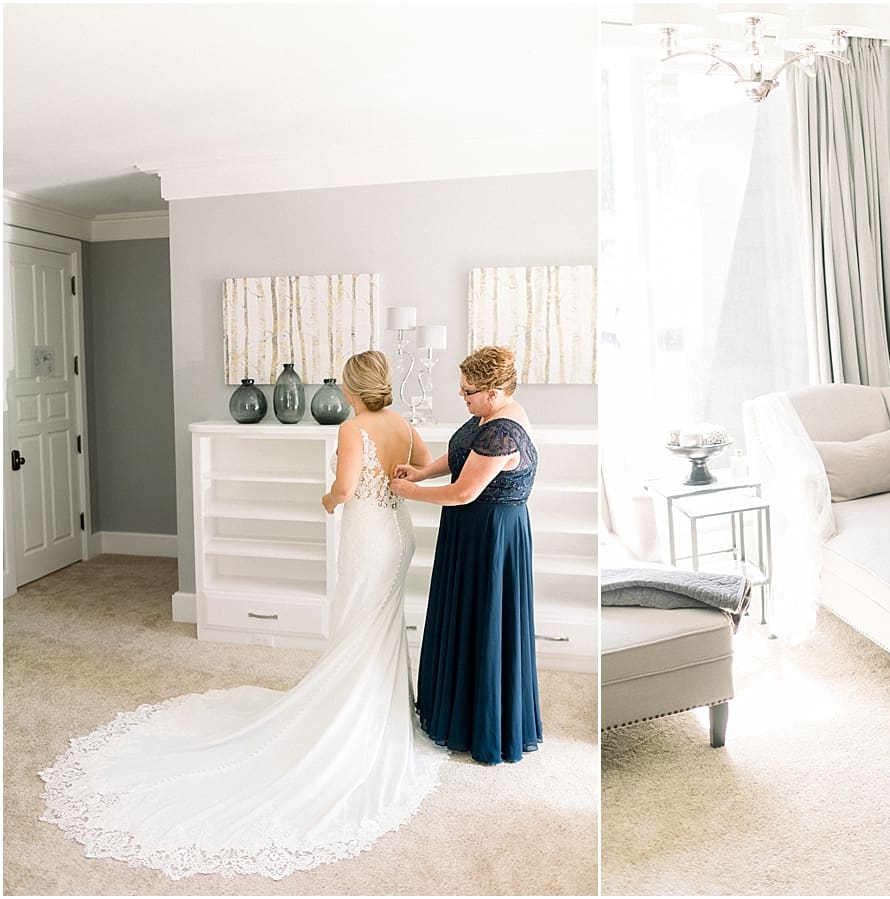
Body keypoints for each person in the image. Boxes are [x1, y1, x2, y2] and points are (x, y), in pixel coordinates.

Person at [39, 349, 446, 880]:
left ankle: (353, 713)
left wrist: (328, 499)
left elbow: (346, 490)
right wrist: (398, 479)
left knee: (356, 622)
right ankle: (382, 713)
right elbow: (423, 466)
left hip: (367, 535)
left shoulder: (353, 428)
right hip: (398, 534)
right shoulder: (403, 423)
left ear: (351, 388)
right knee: (381, 623)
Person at [389, 345, 541, 764]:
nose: (462, 396)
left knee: (484, 621)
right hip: (472, 529)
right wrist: (423, 471)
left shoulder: (502, 431)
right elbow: (463, 455)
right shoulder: (488, 416)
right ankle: (453, 711)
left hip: (490, 536)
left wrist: (409, 491)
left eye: (468, 391)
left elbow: (463, 492)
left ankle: (481, 728)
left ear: (494, 392)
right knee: (466, 618)